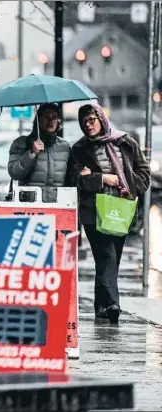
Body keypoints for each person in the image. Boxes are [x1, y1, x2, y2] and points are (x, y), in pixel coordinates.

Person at [72, 103, 150, 323]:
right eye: (83, 122)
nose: (87, 125)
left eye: (91, 120)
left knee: (109, 260)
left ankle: (101, 307)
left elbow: (143, 173)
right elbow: (74, 180)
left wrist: (127, 183)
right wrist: (102, 178)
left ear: (101, 119)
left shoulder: (125, 143)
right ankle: (114, 304)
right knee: (106, 255)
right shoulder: (79, 149)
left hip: (121, 209)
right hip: (93, 212)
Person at [7, 103, 73, 202]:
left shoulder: (64, 146)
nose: (50, 121)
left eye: (54, 117)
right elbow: (15, 174)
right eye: (46, 117)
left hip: (58, 207)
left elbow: (70, 179)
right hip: (30, 207)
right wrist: (32, 153)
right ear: (38, 120)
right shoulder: (22, 143)